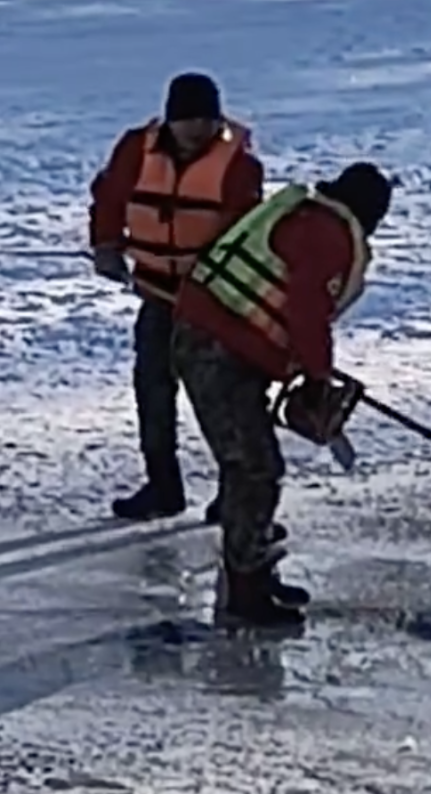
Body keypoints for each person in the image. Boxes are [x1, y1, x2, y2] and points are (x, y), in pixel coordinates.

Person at [171, 162, 394, 625]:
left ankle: (250, 571)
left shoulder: (309, 216)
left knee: (248, 465)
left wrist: (303, 368)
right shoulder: (328, 234)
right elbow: (307, 310)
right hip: (217, 349)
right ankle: (245, 592)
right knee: (255, 467)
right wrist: (316, 377)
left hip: (217, 341)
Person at [88, 72, 264, 524]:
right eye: (190, 120)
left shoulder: (238, 165)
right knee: (152, 390)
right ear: (171, 120)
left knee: (222, 402)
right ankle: (162, 487)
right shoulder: (136, 149)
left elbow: (245, 232)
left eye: (207, 119)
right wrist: (106, 245)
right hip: (157, 295)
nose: (199, 130)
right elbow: (109, 197)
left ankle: (235, 494)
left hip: (213, 306)